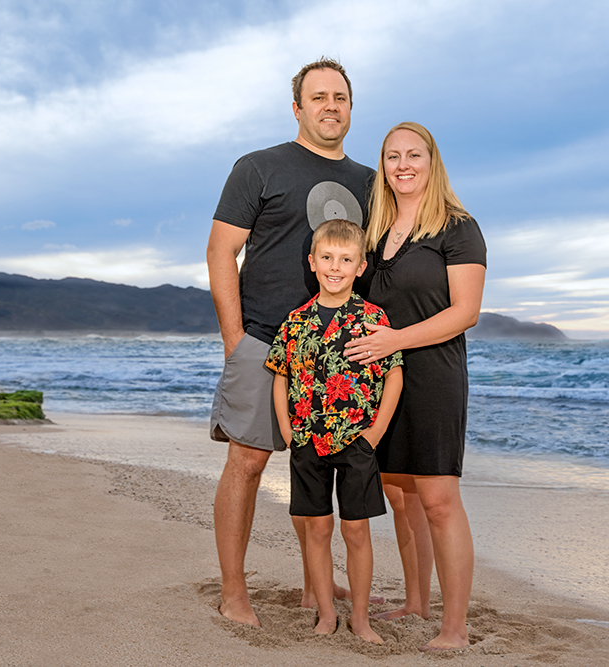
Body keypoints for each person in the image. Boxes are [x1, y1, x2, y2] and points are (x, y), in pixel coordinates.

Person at [206, 57, 375, 627]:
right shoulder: (257, 168)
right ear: (297, 106)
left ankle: (315, 588)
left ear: (351, 107)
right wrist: (236, 340)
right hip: (262, 339)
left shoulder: (368, 183)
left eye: (341, 98)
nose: (331, 106)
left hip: (336, 354)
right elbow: (220, 252)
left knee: (320, 463)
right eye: (319, 96)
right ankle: (234, 593)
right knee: (248, 461)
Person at [344, 121, 486, 651]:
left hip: (432, 376)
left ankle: (455, 627)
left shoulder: (458, 227)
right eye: (392, 156)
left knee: (438, 498)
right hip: (381, 378)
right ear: (383, 166)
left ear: (432, 161)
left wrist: (394, 340)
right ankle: (416, 601)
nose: (403, 165)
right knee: (398, 495)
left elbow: (465, 312)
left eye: (413, 155)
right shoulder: (376, 231)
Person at [265, 219, 403, 643]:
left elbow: (394, 375)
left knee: (356, 530)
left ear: (361, 266)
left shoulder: (372, 318)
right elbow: (281, 376)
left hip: (357, 440)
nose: (335, 267)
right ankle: (326, 613)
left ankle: (360, 618)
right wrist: (289, 432)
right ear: (313, 261)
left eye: (346, 259)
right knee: (317, 528)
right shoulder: (295, 321)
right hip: (307, 440)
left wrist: (375, 434)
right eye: (327, 258)